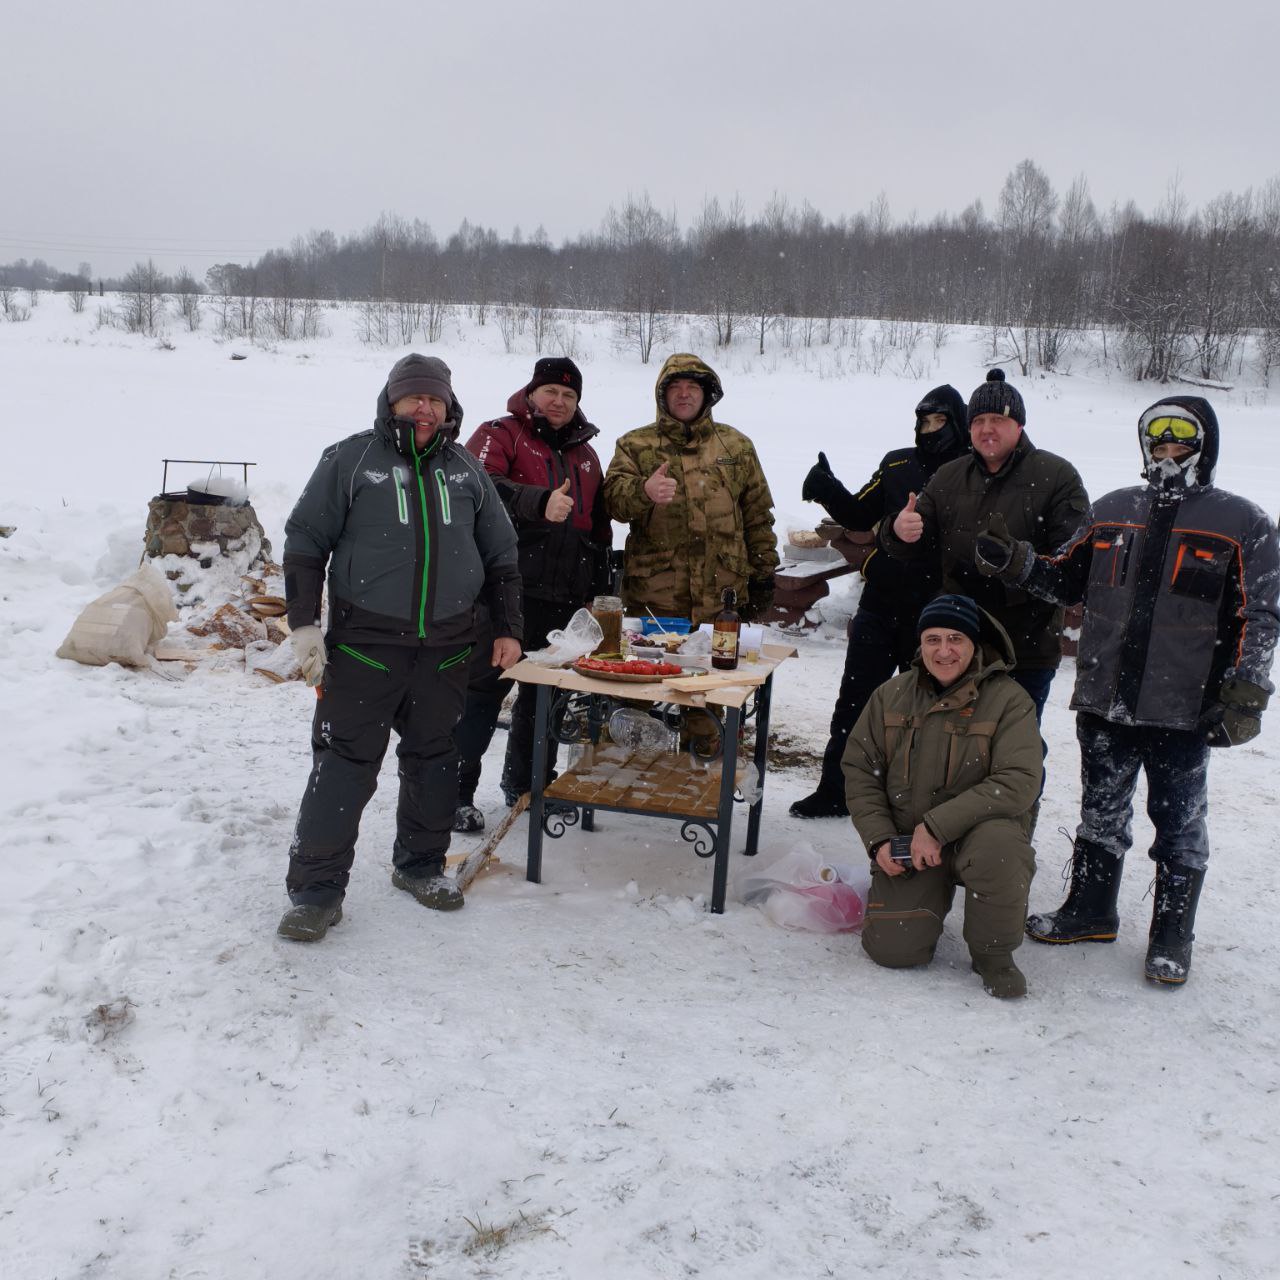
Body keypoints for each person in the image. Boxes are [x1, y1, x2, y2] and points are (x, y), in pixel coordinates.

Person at [974, 396, 1280, 984]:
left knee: (1179, 825)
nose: (1167, 451)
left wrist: (1247, 689)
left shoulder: (1242, 522)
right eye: (1157, 441)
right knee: (1100, 813)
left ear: (1204, 446)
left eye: (1180, 441)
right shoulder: (1112, 510)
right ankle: (1091, 911)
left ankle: (1171, 936)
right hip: (1105, 698)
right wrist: (1016, 562)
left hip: (1184, 707)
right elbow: (1065, 579)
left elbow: (1260, 615)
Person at [276, 354, 523, 941]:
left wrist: (509, 628)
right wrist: (304, 624)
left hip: (447, 649)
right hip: (365, 647)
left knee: (435, 761)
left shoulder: (466, 469)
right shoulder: (351, 459)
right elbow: (305, 541)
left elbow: (502, 555)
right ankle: (315, 892)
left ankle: (420, 867)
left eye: (435, 399)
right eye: (413, 397)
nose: (424, 408)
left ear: (448, 407)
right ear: (391, 402)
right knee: (343, 766)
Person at [843, 595, 1041, 998]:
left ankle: (994, 954)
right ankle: (922, 898)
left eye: (955, 639)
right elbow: (861, 770)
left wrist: (936, 827)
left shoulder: (1010, 701)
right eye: (933, 639)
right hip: (910, 840)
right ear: (920, 644)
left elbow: (1019, 780)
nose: (944, 651)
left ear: (974, 644)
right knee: (893, 951)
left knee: (1000, 850)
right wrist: (880, 839)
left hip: (978, 835)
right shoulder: (891, 695)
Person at [791, 384, 970, 818]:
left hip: (935, 616)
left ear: (959, 423)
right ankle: (836, 791)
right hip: (880, 605)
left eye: (940, 421)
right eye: (924, 421)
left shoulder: (972, 471)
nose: (930, 430)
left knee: (928, 714)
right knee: (855, 703)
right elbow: (859, 514)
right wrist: (827, 489)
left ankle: (916, 806)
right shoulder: (898, 463)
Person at [452, 357, 612, 830]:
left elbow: (598, 527)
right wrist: (538, 500)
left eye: (569, 395)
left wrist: (598, 591)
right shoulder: (500, 433)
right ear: (531, 393)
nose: (559, 401)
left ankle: (529, 785)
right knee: (481, 694)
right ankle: (453, 793)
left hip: (563, 600)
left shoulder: (586, 455)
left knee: (545, 699)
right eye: (550, 392)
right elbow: (476, 487)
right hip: (502, 593)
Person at [880, 368, 1090, 721]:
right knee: (946, 740)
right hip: (957, 642)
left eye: (998, 419)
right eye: (978, 421)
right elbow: (912, 543)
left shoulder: (1056, 476)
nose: (986, 429)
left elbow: (1072, 574)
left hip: (1025, 649)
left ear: (1019, 425)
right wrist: (898, 531)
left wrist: (1016, 563)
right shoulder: (949, 475)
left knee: (1013, 744)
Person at [602, 353, 779, 624]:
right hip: (656, 603)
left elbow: (758, 515)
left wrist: (764, 575)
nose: (684, 394)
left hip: (723, 601)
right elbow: (612, 502)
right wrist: (643, 490)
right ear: (662, 394)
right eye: (675, 387)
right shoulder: (634, 444)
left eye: (692, 387)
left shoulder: (736, 446)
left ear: (706, 393)